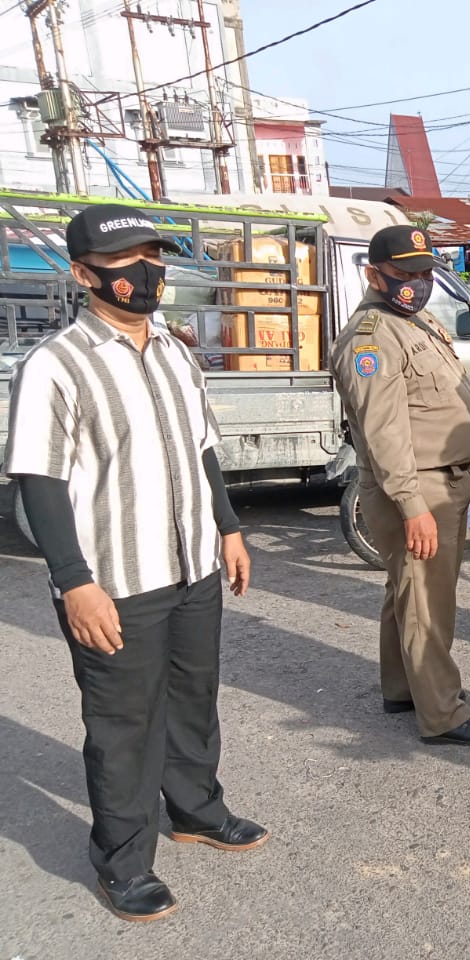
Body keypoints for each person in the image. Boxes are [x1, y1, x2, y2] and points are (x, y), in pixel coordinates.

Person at [4, 204, 265, 923]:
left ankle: (195, 809)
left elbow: (202, 451)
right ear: (83, 274)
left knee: (193, 698)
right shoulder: (55, 366)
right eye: (127, 261)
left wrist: (230, 528)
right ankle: (122, 860)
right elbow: (40, 480)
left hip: (190, 565)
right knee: (123, 723)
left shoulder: (178, 352)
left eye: (153, 255)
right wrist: (73, 581)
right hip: (113, 579)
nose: (146, 272)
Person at [330, 224, 470, 746]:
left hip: (439, 480)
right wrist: (412, 507)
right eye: (405, 274)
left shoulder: (411, 320)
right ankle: (443, 714)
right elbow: (384, 434)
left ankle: (401, 689)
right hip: (418, 486)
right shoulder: (372, 337)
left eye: (426, 272)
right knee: (426, 600)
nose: (418, 282)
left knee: (407, 591)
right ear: (373, 274)